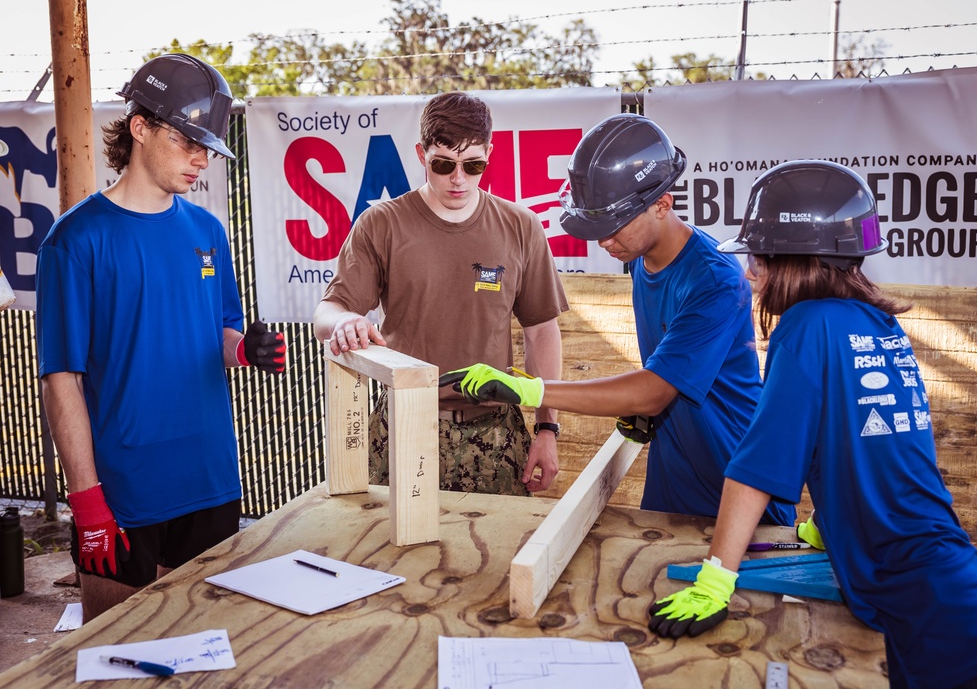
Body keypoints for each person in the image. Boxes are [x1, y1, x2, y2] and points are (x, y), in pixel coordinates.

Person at [645, 160, 977, 689]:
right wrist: (833, 520)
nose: (750, 273)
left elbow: (757, 467)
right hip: (955, 590)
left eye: (759, 257)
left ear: (795, 259)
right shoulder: (877, 324)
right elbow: (884, 450)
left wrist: (717, 577)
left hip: (939, 623)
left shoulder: (807, 326)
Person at [440, 113, 795, 526]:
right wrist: (642, 405)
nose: (604, 240)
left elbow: (653, 390)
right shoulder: (642, 259)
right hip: (676, 476)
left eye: (614, 226)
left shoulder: (715, 280)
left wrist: (528, 390)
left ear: (663, 204)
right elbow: (666, 376)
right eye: (596, 226)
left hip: (734, 483)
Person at [35, 54, 286, 622]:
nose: (201, 160)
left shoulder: (207, 231)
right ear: (140, 127)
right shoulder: (74, 241)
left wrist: (246, 349)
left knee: (206, 652)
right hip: (125, 493)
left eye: (208, 148)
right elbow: (61, 381)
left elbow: (220, 332)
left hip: (209, 478)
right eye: (187, 141)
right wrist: (87, 503)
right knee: (117, 654)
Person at [313, 91, 567, 496]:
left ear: (490, 154)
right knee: (386, 553)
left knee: (500, 553)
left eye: (474, 165)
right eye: (444, 164)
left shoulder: (521, 226)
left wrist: (547, 427)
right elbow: (328, 311)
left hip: (496, 435)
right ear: (421, 154)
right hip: (405, 423)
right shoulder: (382, 223)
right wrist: (344, 320)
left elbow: (542, 332)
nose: (458, 179)